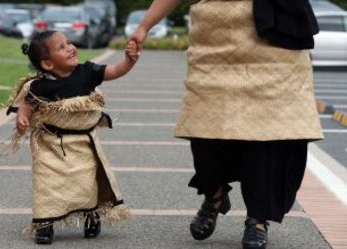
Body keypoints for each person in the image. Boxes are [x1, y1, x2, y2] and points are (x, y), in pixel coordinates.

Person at [130, 0, 323, 248]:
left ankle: (258, 219)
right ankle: (215, 194)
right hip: (213, 49)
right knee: (204, 133)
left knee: (269, 139)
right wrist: (144, 26)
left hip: (276, 52)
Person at [6, 30, 139, 245]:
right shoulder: (40, 86)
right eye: (62, 47)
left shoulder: (87, 71)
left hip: (83, 142)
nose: (70, 47)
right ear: (48, 64)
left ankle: (91, 216)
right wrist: (22, 119)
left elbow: (114, 71)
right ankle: (44, 224)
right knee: (47, 184)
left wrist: (128, 61)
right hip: (50, 145)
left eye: (68, 43)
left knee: (87, 182)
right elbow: (27, 105)